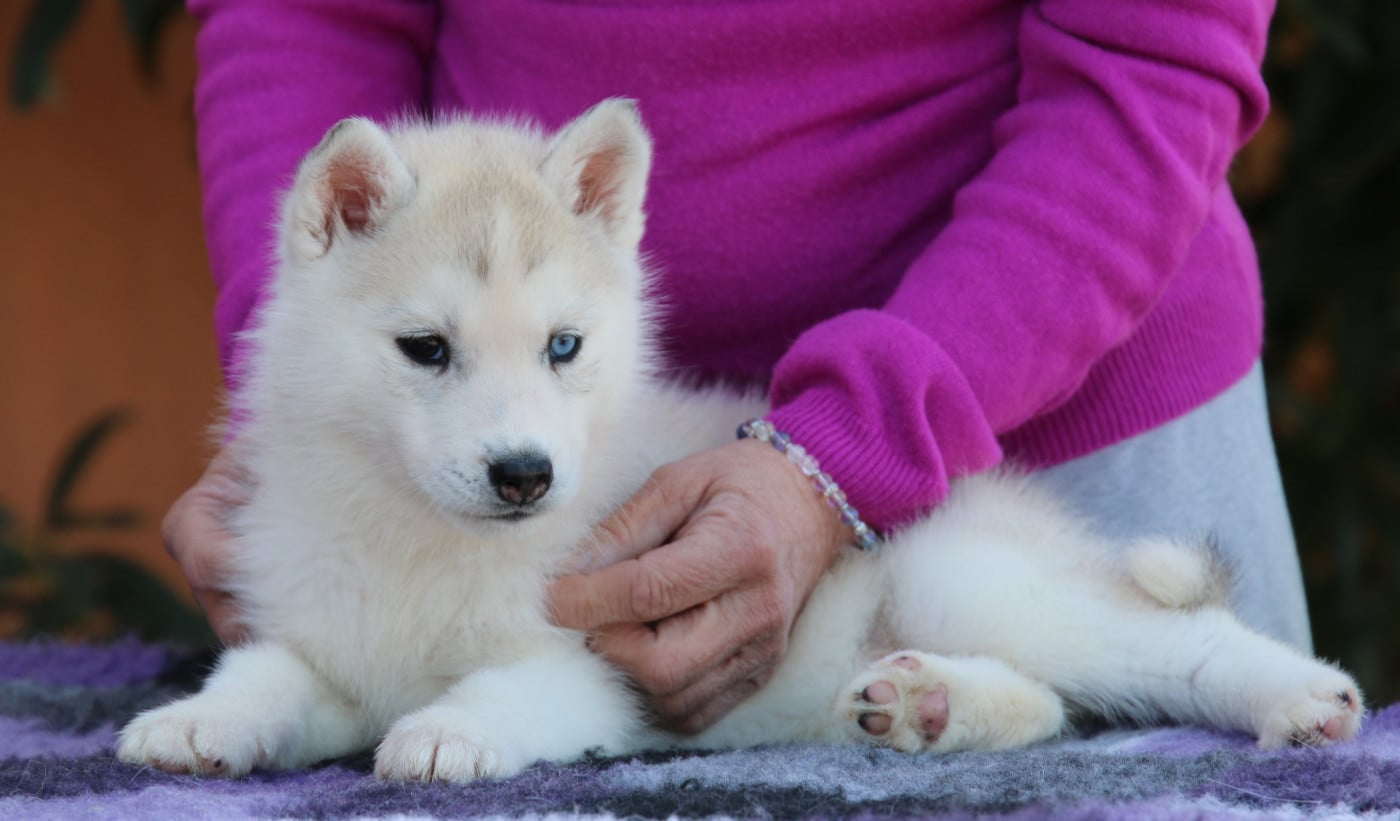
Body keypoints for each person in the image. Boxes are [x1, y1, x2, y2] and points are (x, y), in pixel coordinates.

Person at [167, 0, 1307, 735]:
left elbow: (1151, 52)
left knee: (1071, 643)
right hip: (564, 392)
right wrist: (301, 386)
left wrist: (849, 452)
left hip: (1066, 386)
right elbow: (300, 13)